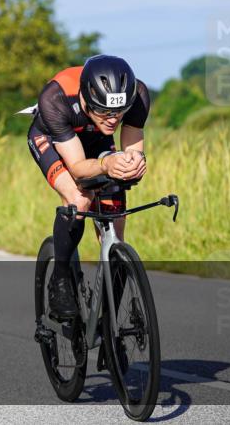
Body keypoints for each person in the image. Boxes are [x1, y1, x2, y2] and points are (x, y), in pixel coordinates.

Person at [26, 55, 151, 321]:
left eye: (119, 112)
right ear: (86, 97)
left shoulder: (138, 95)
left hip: (96, 142)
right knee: (79, 199)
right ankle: (60, 281)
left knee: (116, 229)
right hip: (54, 139)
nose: (113, 120)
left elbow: (133, 150)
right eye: (104, 112)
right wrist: (106, 165)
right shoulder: (55, 98)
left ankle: (107, 322)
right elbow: (79, 167)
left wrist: (134, 164)